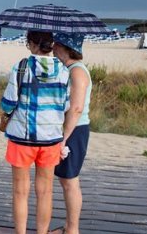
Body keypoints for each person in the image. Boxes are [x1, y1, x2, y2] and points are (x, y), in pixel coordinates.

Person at [1, 31, 70, 234]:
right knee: (46, 192)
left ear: (32, 44)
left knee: (20, 191)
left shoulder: (22, 67)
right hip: (50, 140)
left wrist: (5, 108)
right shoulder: (65, 71)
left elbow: (8, 103)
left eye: (27, 43)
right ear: (50, 44)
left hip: (21, 138)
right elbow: (65, 105)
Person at [51, 33, 91, 234]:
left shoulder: (77, 72)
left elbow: (76, 108)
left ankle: (72, 230)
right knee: (66, 180)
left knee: (70, 181)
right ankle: (68, 227)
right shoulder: (68, 70)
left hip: (74, 130)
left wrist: (64, 138)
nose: (54, 48)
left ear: (66, 47)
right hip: (69, 128)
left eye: (57, 44)